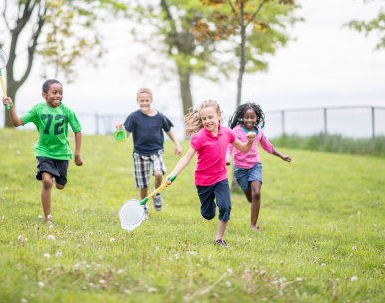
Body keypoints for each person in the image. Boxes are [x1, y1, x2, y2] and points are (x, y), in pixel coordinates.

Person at [164, 100, 256, 246]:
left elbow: (244, 148)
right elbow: (186, 158)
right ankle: (208, 208)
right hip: (203, 181)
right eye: (204, 119)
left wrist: (250, 141)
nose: (207, 121)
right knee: (208, 215)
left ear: (219, 116)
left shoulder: (228, 133)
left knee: (225, 207)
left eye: (210, 117)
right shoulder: (199, 137)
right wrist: (173, 174)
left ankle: (219, 239)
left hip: (220, 178)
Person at [3, 79, 83, 225]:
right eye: (54, 92)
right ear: (44, 95)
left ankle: (55, 176)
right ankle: (48, 218)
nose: (58, 95)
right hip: (44, 151)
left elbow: (77, 130)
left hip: (62, 153)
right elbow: (17, 122)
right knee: (47, 182)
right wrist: (11, 108)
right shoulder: (38, 110)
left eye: (61, 93)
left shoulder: (66, 111)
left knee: (60, 185)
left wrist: (77, 154)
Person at [116, 88, 182, 218]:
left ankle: (157, 193)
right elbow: (125, 136)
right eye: (142, 101)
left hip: (156, 152)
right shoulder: (134, 117)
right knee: (143, 185)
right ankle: (143, 208)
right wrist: (120, 130)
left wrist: (177, 144)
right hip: (139, 154)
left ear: (151, 100)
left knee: (158, 173)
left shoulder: (159, 117)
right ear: (137, 101)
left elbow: (168, 130)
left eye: (147, 100)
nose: (145, 103)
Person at [226, 102, 291, 231]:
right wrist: (227, 158)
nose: (249, 120)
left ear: (257, 118)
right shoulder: (236, 131)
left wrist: (282, 156)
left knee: (256, 193)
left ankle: (253, 225)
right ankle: (251, 198)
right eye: (247, 117)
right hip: (240, 169)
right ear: (242, 117)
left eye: (252, 117)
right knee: (251, 197)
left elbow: (268, 146)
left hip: (255, 166)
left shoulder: (258, 132)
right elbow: (229, 146)